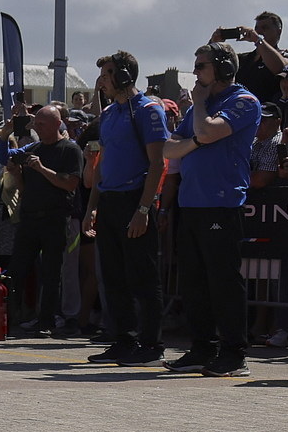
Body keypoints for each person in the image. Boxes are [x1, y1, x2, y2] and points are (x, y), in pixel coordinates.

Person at [161, 41, 263, 377]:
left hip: (221, 203)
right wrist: (195, 140)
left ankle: (234, 353)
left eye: (201, 66)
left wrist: (200, 112)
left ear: (223, 68)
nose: (195, 73)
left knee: (223, 281)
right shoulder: (199, 107)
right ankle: (202, 348)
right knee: (194, 282)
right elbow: (169, 149)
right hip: (191, 202)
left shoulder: (243, 101)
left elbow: (208, 131)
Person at [83, 51, 171, 365]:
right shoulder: (108, 114)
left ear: (123, 76)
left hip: (136, 199)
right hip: (109, 201)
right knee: (113, 277)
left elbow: (158, 164)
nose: (101, 82)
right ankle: (123, 341)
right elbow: (102, 164)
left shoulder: (148, 110)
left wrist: (143, 210)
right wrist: (91, 208)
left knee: (143, 277)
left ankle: (151, 345)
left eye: (107, 75)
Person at [5, 106, 82, 338]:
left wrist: (41, 168)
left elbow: (70, 184)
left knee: (51, 272)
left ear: (57, 124)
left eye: (42, 124)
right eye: (36, 124)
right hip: (29, 218)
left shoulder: (70, 150)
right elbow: (22, 184)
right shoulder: (34, 149)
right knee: (16, 270)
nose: (37, 128)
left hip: (54, 218)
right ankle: (7, 317)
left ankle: (46, 321)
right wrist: (17, 173)